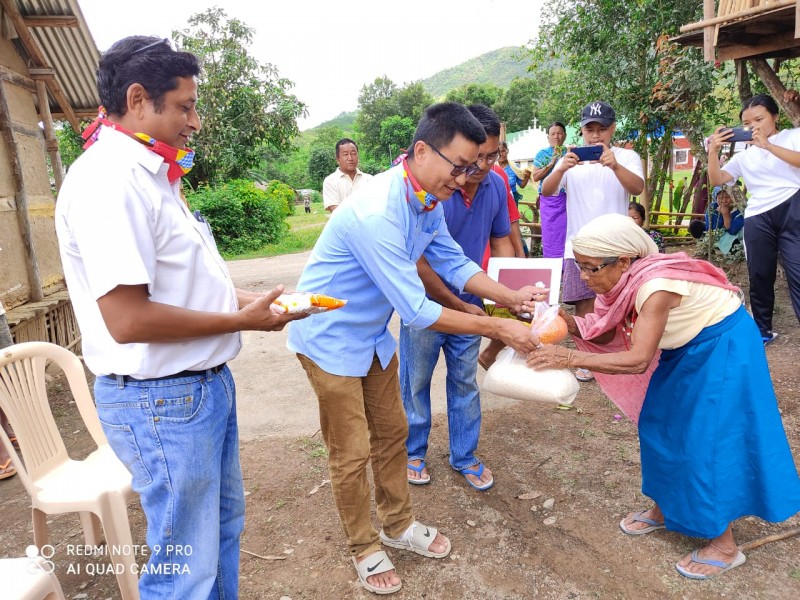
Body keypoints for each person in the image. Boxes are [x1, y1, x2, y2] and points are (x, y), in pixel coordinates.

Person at [55, 36, 307, 600]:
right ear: (139, 99)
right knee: (184, 569)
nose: (195, 122)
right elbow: (128, 319)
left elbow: (180, 284)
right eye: (185, 107)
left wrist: (243, 300)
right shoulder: (108, 181)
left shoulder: (151, 174)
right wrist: (242, 323)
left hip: (195, 391)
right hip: (161, 400)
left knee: (218, 535)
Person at [287, 102, 544, 595]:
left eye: (475, 167)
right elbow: (418, 309)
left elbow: (452, 260)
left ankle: (398, 525)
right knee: (350, 449)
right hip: (328, 338)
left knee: (393, 432)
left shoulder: (426, 197)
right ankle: (364, 546)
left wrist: (511, 298)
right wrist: (498, 328)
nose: (467, 178)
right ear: (422, 150)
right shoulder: (375, 210)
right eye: (461, 166)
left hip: (371, 338)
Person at [528, 213, 800, 580]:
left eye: (592, 269)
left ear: (624, 261)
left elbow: (638, 359)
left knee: (702, 441)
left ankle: (724, 545)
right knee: (658, 424)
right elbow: (606, 333)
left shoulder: (655, 286)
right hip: (686, 348)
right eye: (581, 269)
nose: (587, 279)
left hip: (724, 349)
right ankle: (666, 507)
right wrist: (558, 319)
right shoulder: (627, 281)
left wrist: (569, 357)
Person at [400, 104, 514, 493]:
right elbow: (420, 263)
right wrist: (463, 308)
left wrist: (509, 296)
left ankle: (463, 454)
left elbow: (492, 247)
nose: (479, 168)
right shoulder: (430, 189)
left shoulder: (495, 185)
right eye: (472, 159)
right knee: (416, 380)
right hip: (427, 303)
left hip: (471, 303)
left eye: (491, 156)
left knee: (464, 381)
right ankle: (413, 451)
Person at [542, 101, 644, 381]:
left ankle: (621, 356)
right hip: (579, 244)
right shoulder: (570, 160)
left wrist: (615, 166)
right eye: (590, 129)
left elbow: (637, 187)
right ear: (582, 130)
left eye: (602, 129)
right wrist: (561, 168)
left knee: (622, 302)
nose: (596, 135)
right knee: (584, 305)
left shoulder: (625, 157)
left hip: (617, 245)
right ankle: (586, 360)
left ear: (612, 129)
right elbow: (547, 192)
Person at [707, 93, 800, 345]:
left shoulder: (793, 136)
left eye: (760, 119)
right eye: (748, 123)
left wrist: (768, 145)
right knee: (759, 274)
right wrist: (713, 152)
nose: (754, 127)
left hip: (792, 206)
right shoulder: (744, 155)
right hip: (758, 216)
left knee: (797, 271)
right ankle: (762, 330)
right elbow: (717, 179)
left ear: (775, 117)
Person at [530, 122, 568, 258]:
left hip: (568, 199)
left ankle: (567, 268)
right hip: (549, 201)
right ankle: (553, 266)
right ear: (548, 137)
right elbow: (535, 177)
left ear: (565, 136)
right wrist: (551, 163)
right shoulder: (542, 154)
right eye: (553, 134)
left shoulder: (569, 153)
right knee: (551, 234)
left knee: (567, 233)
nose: (556, 137)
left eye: (559, 133)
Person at [687, 186, 744, 255]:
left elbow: (732, 231)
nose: (724, 201)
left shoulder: (738, 210)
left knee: (737, 239)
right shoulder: (712, 208)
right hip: (715, 235)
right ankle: (710, 246)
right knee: (695, 225)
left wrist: (725, 214)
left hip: (731, 236)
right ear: (715, 198)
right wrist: (719, 215)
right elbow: (710, 228)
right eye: (720, 198)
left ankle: (722, 249)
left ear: (733, 197)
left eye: (727, 197)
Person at [322, 138, 373, 212]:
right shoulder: (330, 181)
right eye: (345, 154)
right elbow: (337, 212)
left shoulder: (369, 180)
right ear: (337, 159)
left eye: (353, 153)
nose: (350, 158)